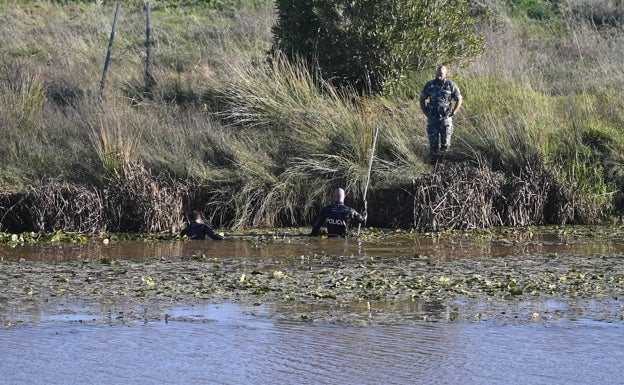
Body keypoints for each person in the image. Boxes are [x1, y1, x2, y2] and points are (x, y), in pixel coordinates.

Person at [419, 65, 463, 163]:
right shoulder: (429, 85)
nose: (439, 76)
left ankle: (443, 167)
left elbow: (459, 98)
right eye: (438, 73)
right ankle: (433, 167)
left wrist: (455, 111)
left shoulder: (451, 85)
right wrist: (425, 111)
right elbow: (422, 98)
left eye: (441, 74)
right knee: (433, 145)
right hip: (433, 119)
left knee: (446, 145)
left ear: (445, 74)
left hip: (446, 119)